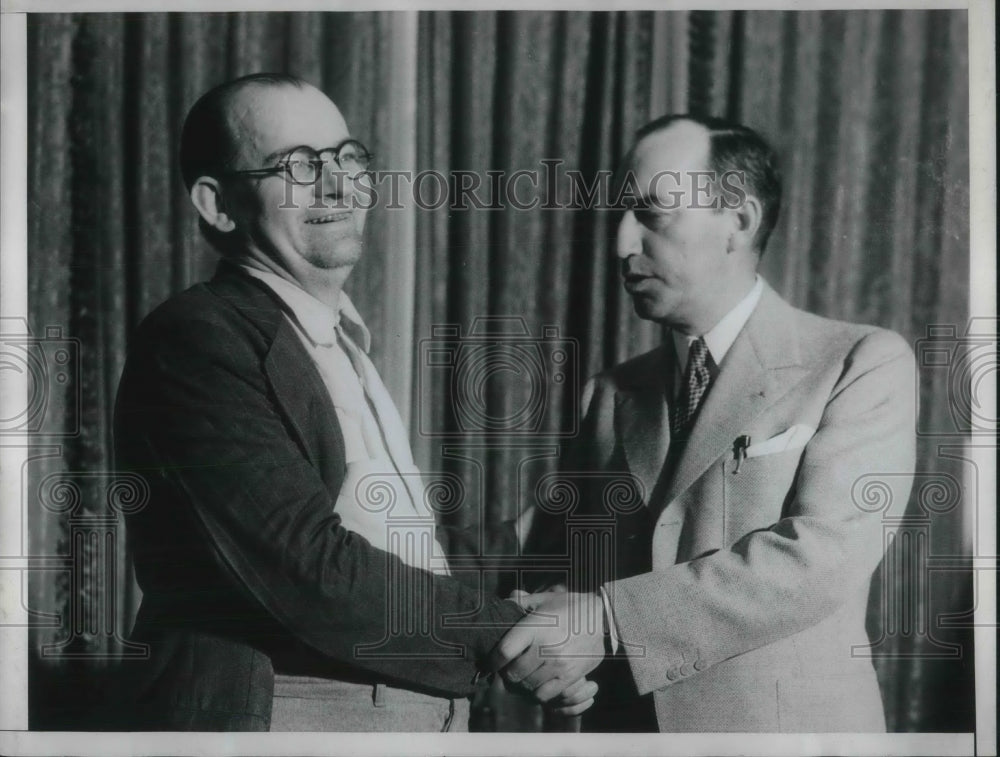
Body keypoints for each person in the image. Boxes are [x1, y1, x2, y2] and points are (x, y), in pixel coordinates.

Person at [113, 73, 596, 731]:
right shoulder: (200, 338)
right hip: (295, 713)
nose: (339, 185)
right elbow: (310, 568)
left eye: (347, 158)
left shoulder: (336, 341)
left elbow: (388, 551)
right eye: (300, 166)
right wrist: (512, 634)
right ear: (218, 204)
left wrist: (516, 541)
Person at [498, 114, 917, 732]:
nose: (620, 244)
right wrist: (556, 658)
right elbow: (562, 566)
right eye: (621, 214)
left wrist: (606, 624)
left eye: (652, 214)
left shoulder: (860, 361)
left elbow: (820, 559)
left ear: (738, 222)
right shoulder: (609, 396)